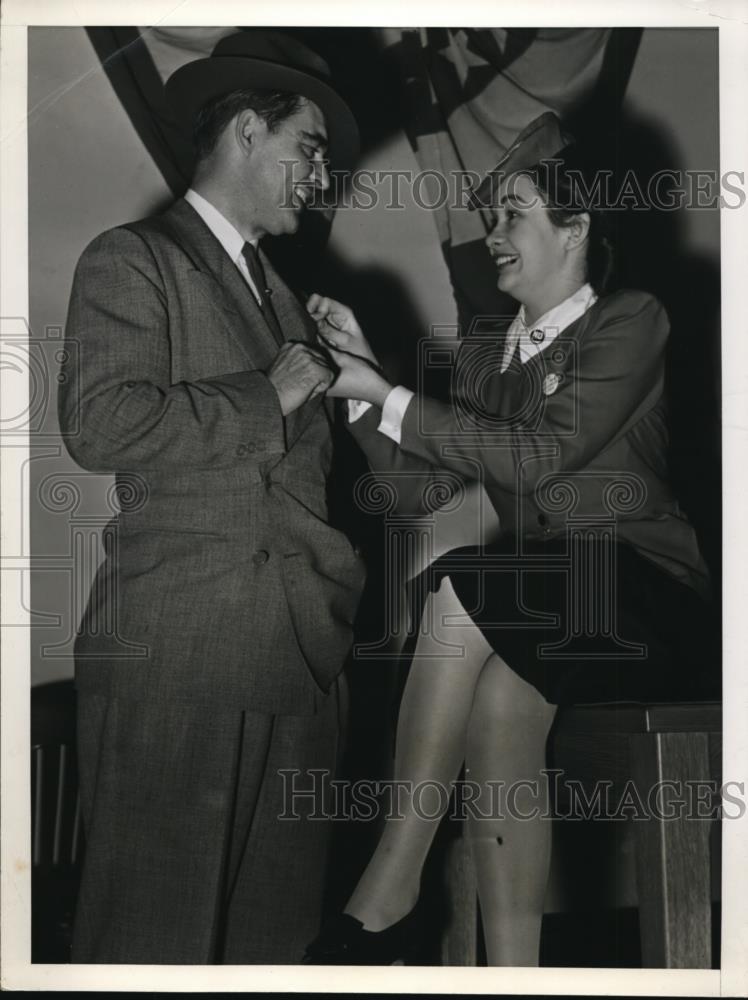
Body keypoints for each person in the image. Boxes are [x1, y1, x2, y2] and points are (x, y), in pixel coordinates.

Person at [302, 112, 718, 965]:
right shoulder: (493, 354)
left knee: (463, 583)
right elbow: (425, 487)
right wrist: (359, 390)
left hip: (649, 597)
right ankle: (516, 973)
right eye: (491, 218)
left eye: (513, 215)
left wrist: (388, 393)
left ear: (576, 227)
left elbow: (536, 459)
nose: (492, 236)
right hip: (557, 606)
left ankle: (390, 884)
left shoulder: (631, 320)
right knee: (499, 704)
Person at [58, 30, 365, 964]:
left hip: (300, 662)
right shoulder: (134, 257)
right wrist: (266, 394)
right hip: (180, 656)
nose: (322, 177)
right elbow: (98, 424)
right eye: (310, 148)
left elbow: (344, 483)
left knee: (273, 954)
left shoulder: (291, 302)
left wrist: (367, 386)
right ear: (245, 130)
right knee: (151, 945)